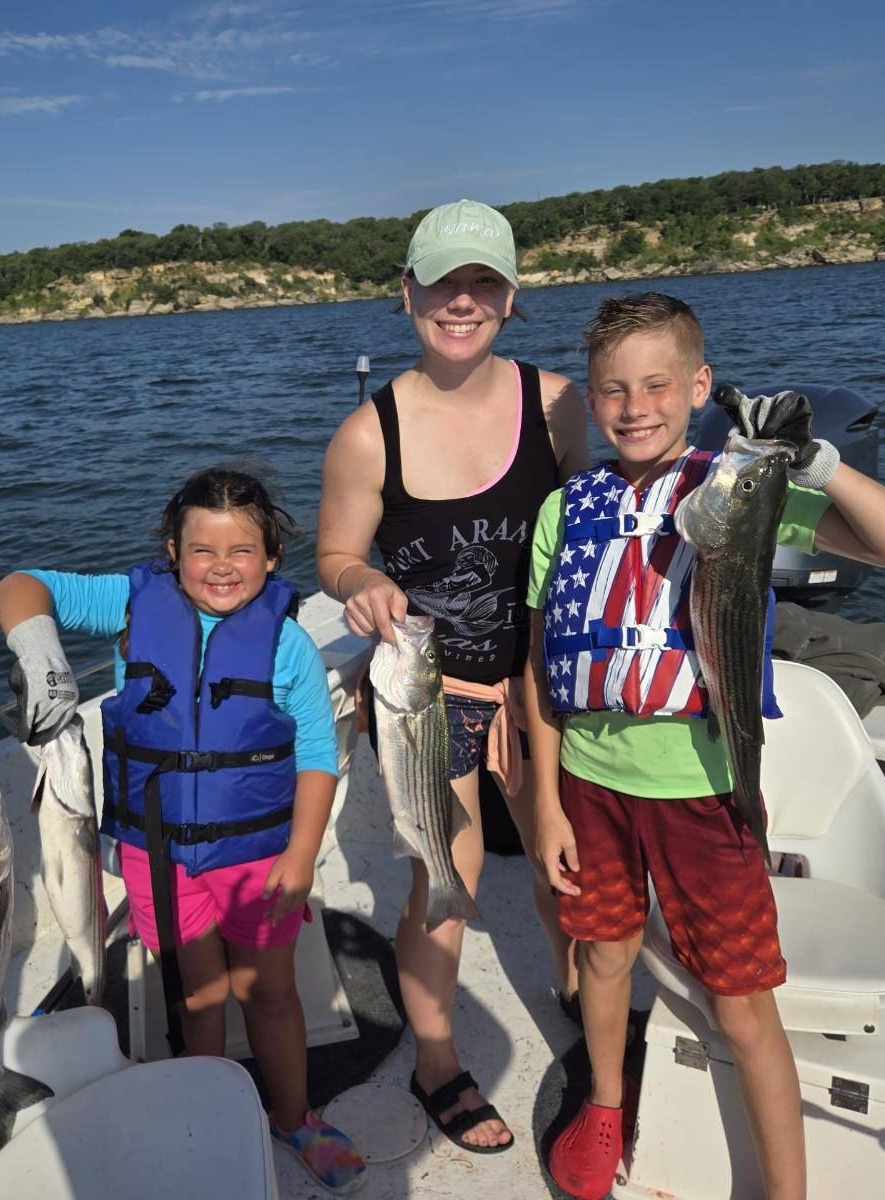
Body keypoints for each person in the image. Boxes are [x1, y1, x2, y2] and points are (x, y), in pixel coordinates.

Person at [525, 292, 885, 1199]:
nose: (635, 407)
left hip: (707, 786)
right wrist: (547, 799)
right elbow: (537, 664)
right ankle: (604, 1100)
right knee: (603, 953)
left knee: (743, 1000)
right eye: (612, 390)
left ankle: (786, 1189)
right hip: (590, 779)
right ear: (591, 402)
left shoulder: (739, 489)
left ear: (700, 387)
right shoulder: (569, 508)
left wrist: (818, 466)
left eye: (658, 385)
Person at [0, 466, 367, 1194]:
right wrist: (38, 650)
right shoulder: (134, 605)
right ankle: (198, 1113)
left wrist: (301, 852)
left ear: (270, 558)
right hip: (158, 855)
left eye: (242, 553)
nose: (222, 569)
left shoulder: (287, 645)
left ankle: (292, 1115)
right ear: (172, 550)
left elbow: (319, 756)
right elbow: (22, 585)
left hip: (259, 858)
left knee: (271, 995)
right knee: (195, 999)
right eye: (202, 551)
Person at [316, 198, 590, 1152]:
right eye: (443, 283)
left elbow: (593, 541)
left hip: (543, 686)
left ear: (511, 298)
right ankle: (437, 1061)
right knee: (449, 872)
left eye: (482, 283)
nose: (461, 301)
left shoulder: (561, 406)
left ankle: (579, 1003)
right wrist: (364, 586)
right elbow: (336, 555)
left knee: (570, 857)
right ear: (408, 294)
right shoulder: (368, 432)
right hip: (438, 692)